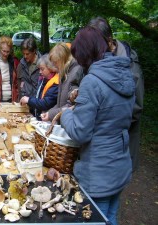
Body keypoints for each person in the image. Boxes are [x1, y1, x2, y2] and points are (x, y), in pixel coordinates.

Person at [60, 26, 135, 225]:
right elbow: (110, 115)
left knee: (94, 219)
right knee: (110, 217)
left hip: (98, 170)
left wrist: (66, 115)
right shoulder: (125, 75)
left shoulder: (92, 82)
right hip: (119, 163)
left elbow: (80, 132)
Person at [88, 17, 144, 172]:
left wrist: (98, 119)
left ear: (110, 42)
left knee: (114, 185)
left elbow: (136, 109)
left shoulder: (131, 67)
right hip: (101, 146)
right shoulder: (99, 59)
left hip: (120, 145)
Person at [40, 42, 83, 122]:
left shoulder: (75, 72)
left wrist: (51, 114)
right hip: (62, 119)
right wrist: (49, 113)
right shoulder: (63, 72)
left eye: (55, 62)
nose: (54, 65)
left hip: (69, 121)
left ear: (63, 59)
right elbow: (60, 103)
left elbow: (71, 105)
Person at [19, 54, 59, 120]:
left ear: (50, 68)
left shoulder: (55, 83)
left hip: (48, 120)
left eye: (42, 69)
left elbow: (45, 103)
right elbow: (38, 96)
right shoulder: (43, 79)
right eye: (39, 69)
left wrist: (29, 100)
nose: (40, 72)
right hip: (40, 117)